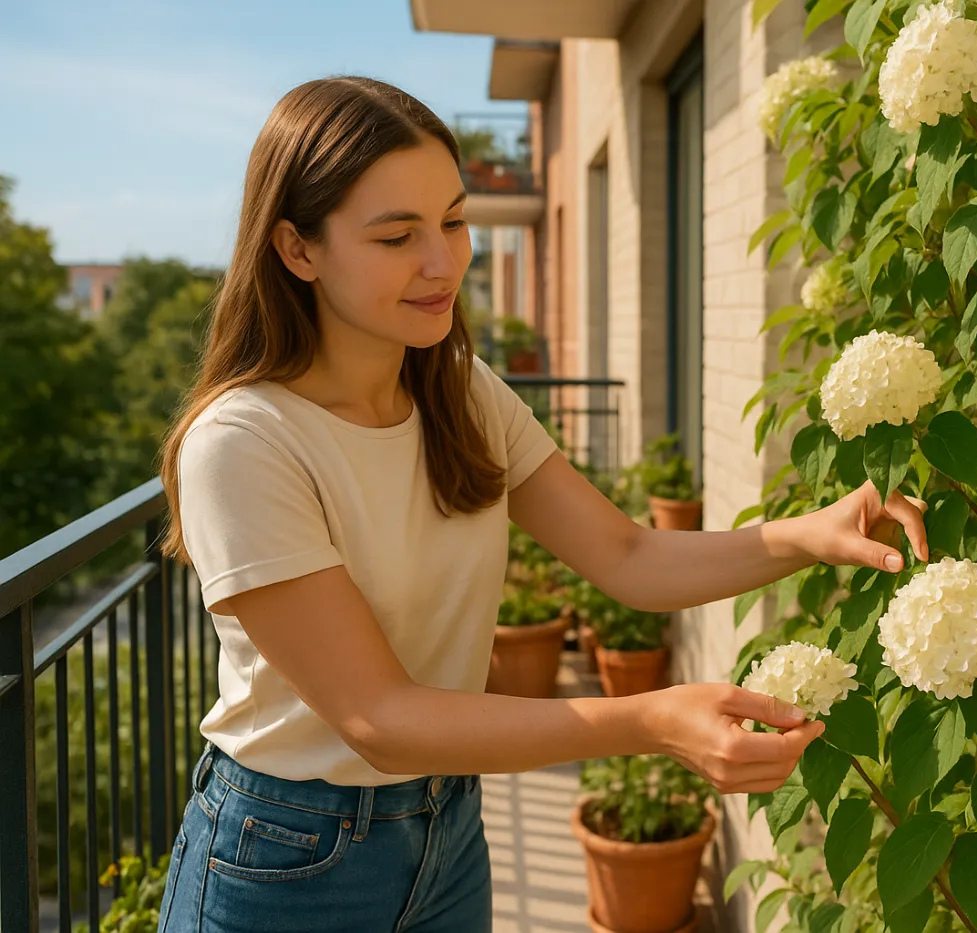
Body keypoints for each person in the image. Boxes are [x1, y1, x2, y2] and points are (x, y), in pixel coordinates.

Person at [154, 76, 929, 933]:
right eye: (396, 235)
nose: (444, 263)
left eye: (453, 221)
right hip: (288, 858)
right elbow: (379, 717)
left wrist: (805, 535)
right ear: (297, 249)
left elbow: (628, 557)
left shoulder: (458, 389)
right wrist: (651, 721)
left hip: (447, 828)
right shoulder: (244, 441)